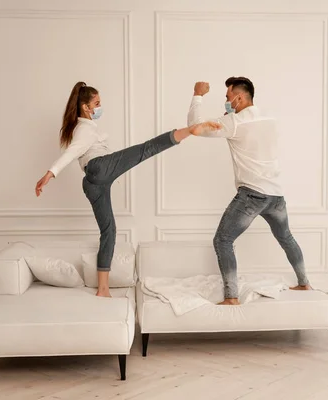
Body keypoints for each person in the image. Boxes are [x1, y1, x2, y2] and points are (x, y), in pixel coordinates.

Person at [36, 81, 221, 297]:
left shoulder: (84, 128)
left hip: (92, 182)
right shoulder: (84, 129)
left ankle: (102, 289)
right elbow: (72, 152)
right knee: (146, 149)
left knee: (109, 231)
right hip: (100, 167)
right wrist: (51, 173)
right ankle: (191, 130)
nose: (99, 107)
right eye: (97, 103)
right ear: (86, 107)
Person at [187, 77, 311, 306]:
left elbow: (195, 127)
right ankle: (304, 283)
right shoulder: (270, 119)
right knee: (286, 237)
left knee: (222, 240)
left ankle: (231, 297)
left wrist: (198, 94)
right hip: (276, 195)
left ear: (239, 98)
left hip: (252, 195)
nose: (227, 101)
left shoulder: (235, 123)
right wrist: (227, 118)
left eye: (227, 98)